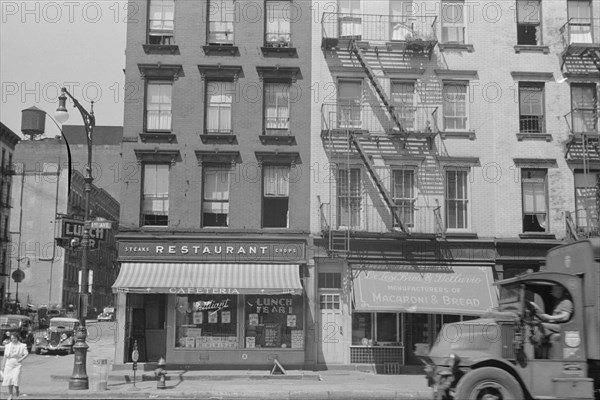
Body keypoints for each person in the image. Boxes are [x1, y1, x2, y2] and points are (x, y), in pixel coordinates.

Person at [1, 332, 29, 400]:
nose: (13, 339)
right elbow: (5, 356)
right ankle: (10, 395)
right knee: (9, 380)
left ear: (17, 338)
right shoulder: (8, 346)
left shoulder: (22, 345)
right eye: (12, 338)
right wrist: (2, 365)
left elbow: (26, 353)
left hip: (17, 364)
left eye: (14, 338)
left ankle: (17, 393)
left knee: (15, 380)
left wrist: (21, 359)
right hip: (9, 364)